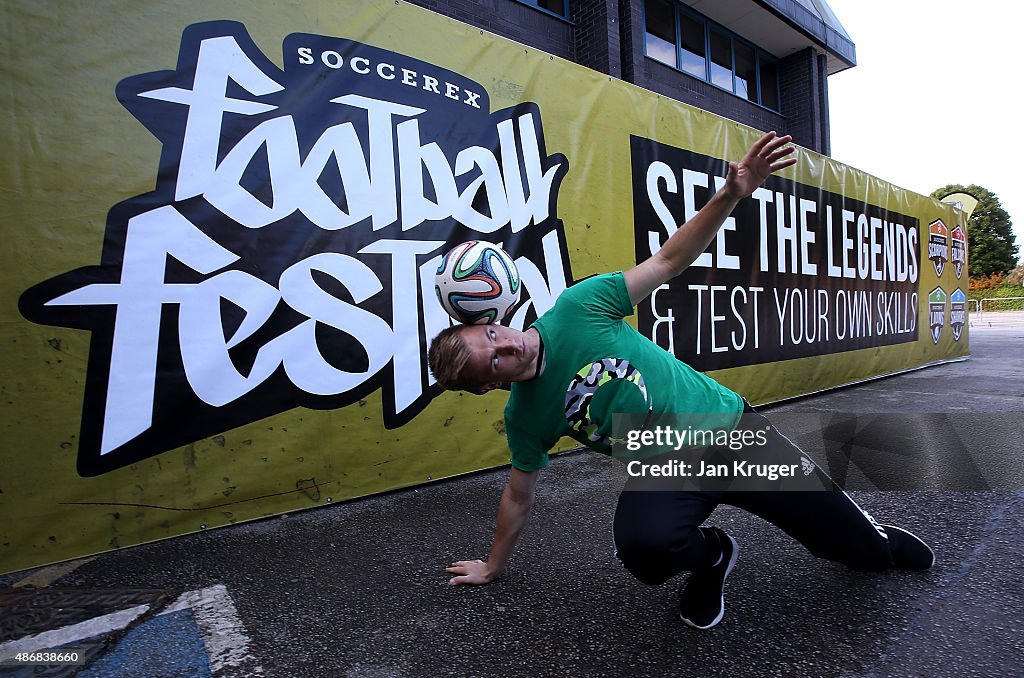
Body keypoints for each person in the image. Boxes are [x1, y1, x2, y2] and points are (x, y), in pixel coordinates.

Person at [426, 131, 934, 630]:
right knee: (646, 550)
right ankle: (713, 557)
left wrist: (730, 195)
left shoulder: (578, 309)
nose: (507, 345)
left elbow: (669, 260)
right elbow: (518, 495)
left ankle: (875, 540)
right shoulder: (525, 416)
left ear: (496, 318)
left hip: (729, 431)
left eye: (493, 334)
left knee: (858, 553)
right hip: (660, 463)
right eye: (492, 362)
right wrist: (493, 567)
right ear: (491, 386)